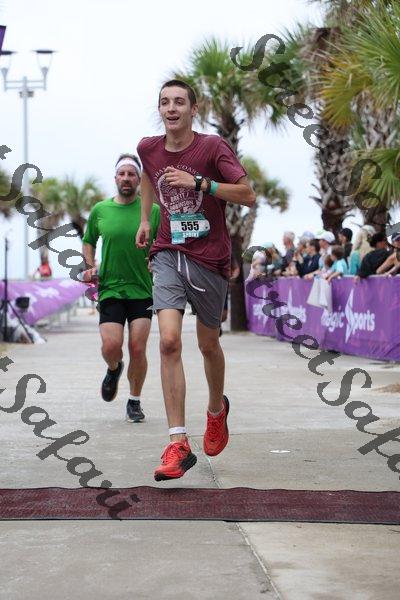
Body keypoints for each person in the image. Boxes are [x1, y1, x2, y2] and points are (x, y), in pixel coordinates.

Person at [136, 79, 255, 481]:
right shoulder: (148, 147)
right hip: (168, 251)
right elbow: (149, 176)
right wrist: (145, 219)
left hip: (209, 257)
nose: (171, 108)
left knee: (208, 344)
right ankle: (178, 443)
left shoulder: (212, 147)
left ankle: (216, 410)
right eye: (165, 102)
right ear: (160, 109)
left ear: (193, 109)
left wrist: (202, 184)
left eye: (179, 102)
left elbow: (247, 194)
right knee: (169, 340)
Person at [82, 153, 160, 422]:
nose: (126, 178)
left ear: (139, 180)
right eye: (122, 174)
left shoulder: (152, 211)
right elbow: (89, 240)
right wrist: (90, 266)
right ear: (115, 178)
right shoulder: (100, 210)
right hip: (110, 289)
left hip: (142, 289)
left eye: (131, 174)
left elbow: (165, 242)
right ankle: (114, 368)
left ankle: (134, 401)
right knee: (110, 346)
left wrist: (157, 260)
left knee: (138, 348)